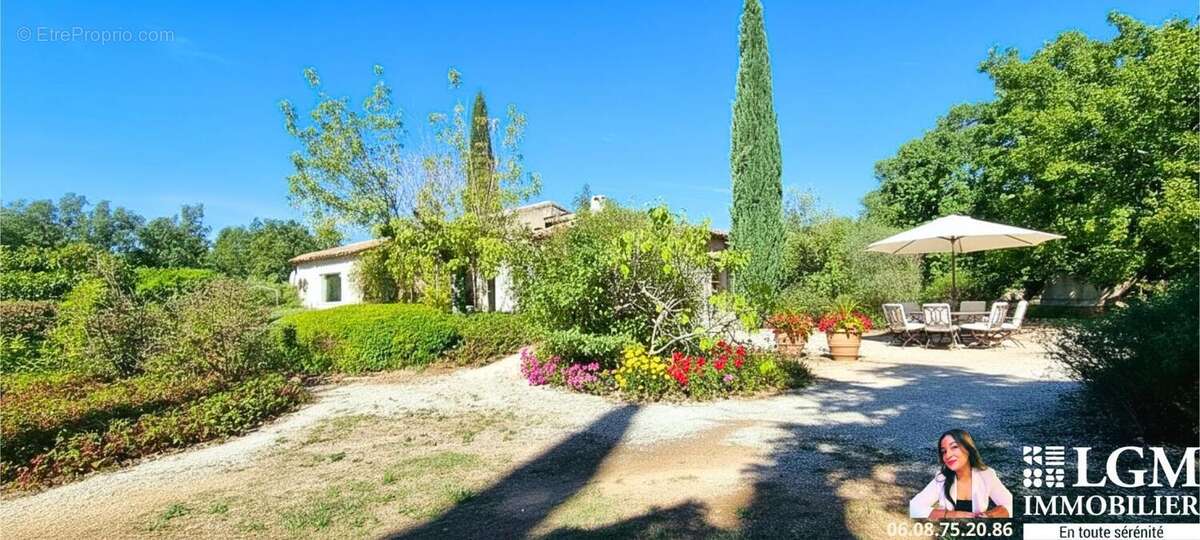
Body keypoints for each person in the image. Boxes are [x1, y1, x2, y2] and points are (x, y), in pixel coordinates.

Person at [909, 428, 1012, 519]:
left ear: (968, 449)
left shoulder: (986, 475)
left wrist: (989, 515)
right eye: (944, 451)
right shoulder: (942, 478)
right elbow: (914, 507)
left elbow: (1008, 504)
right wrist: (951, 514)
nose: (948, 455)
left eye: (954, 447)